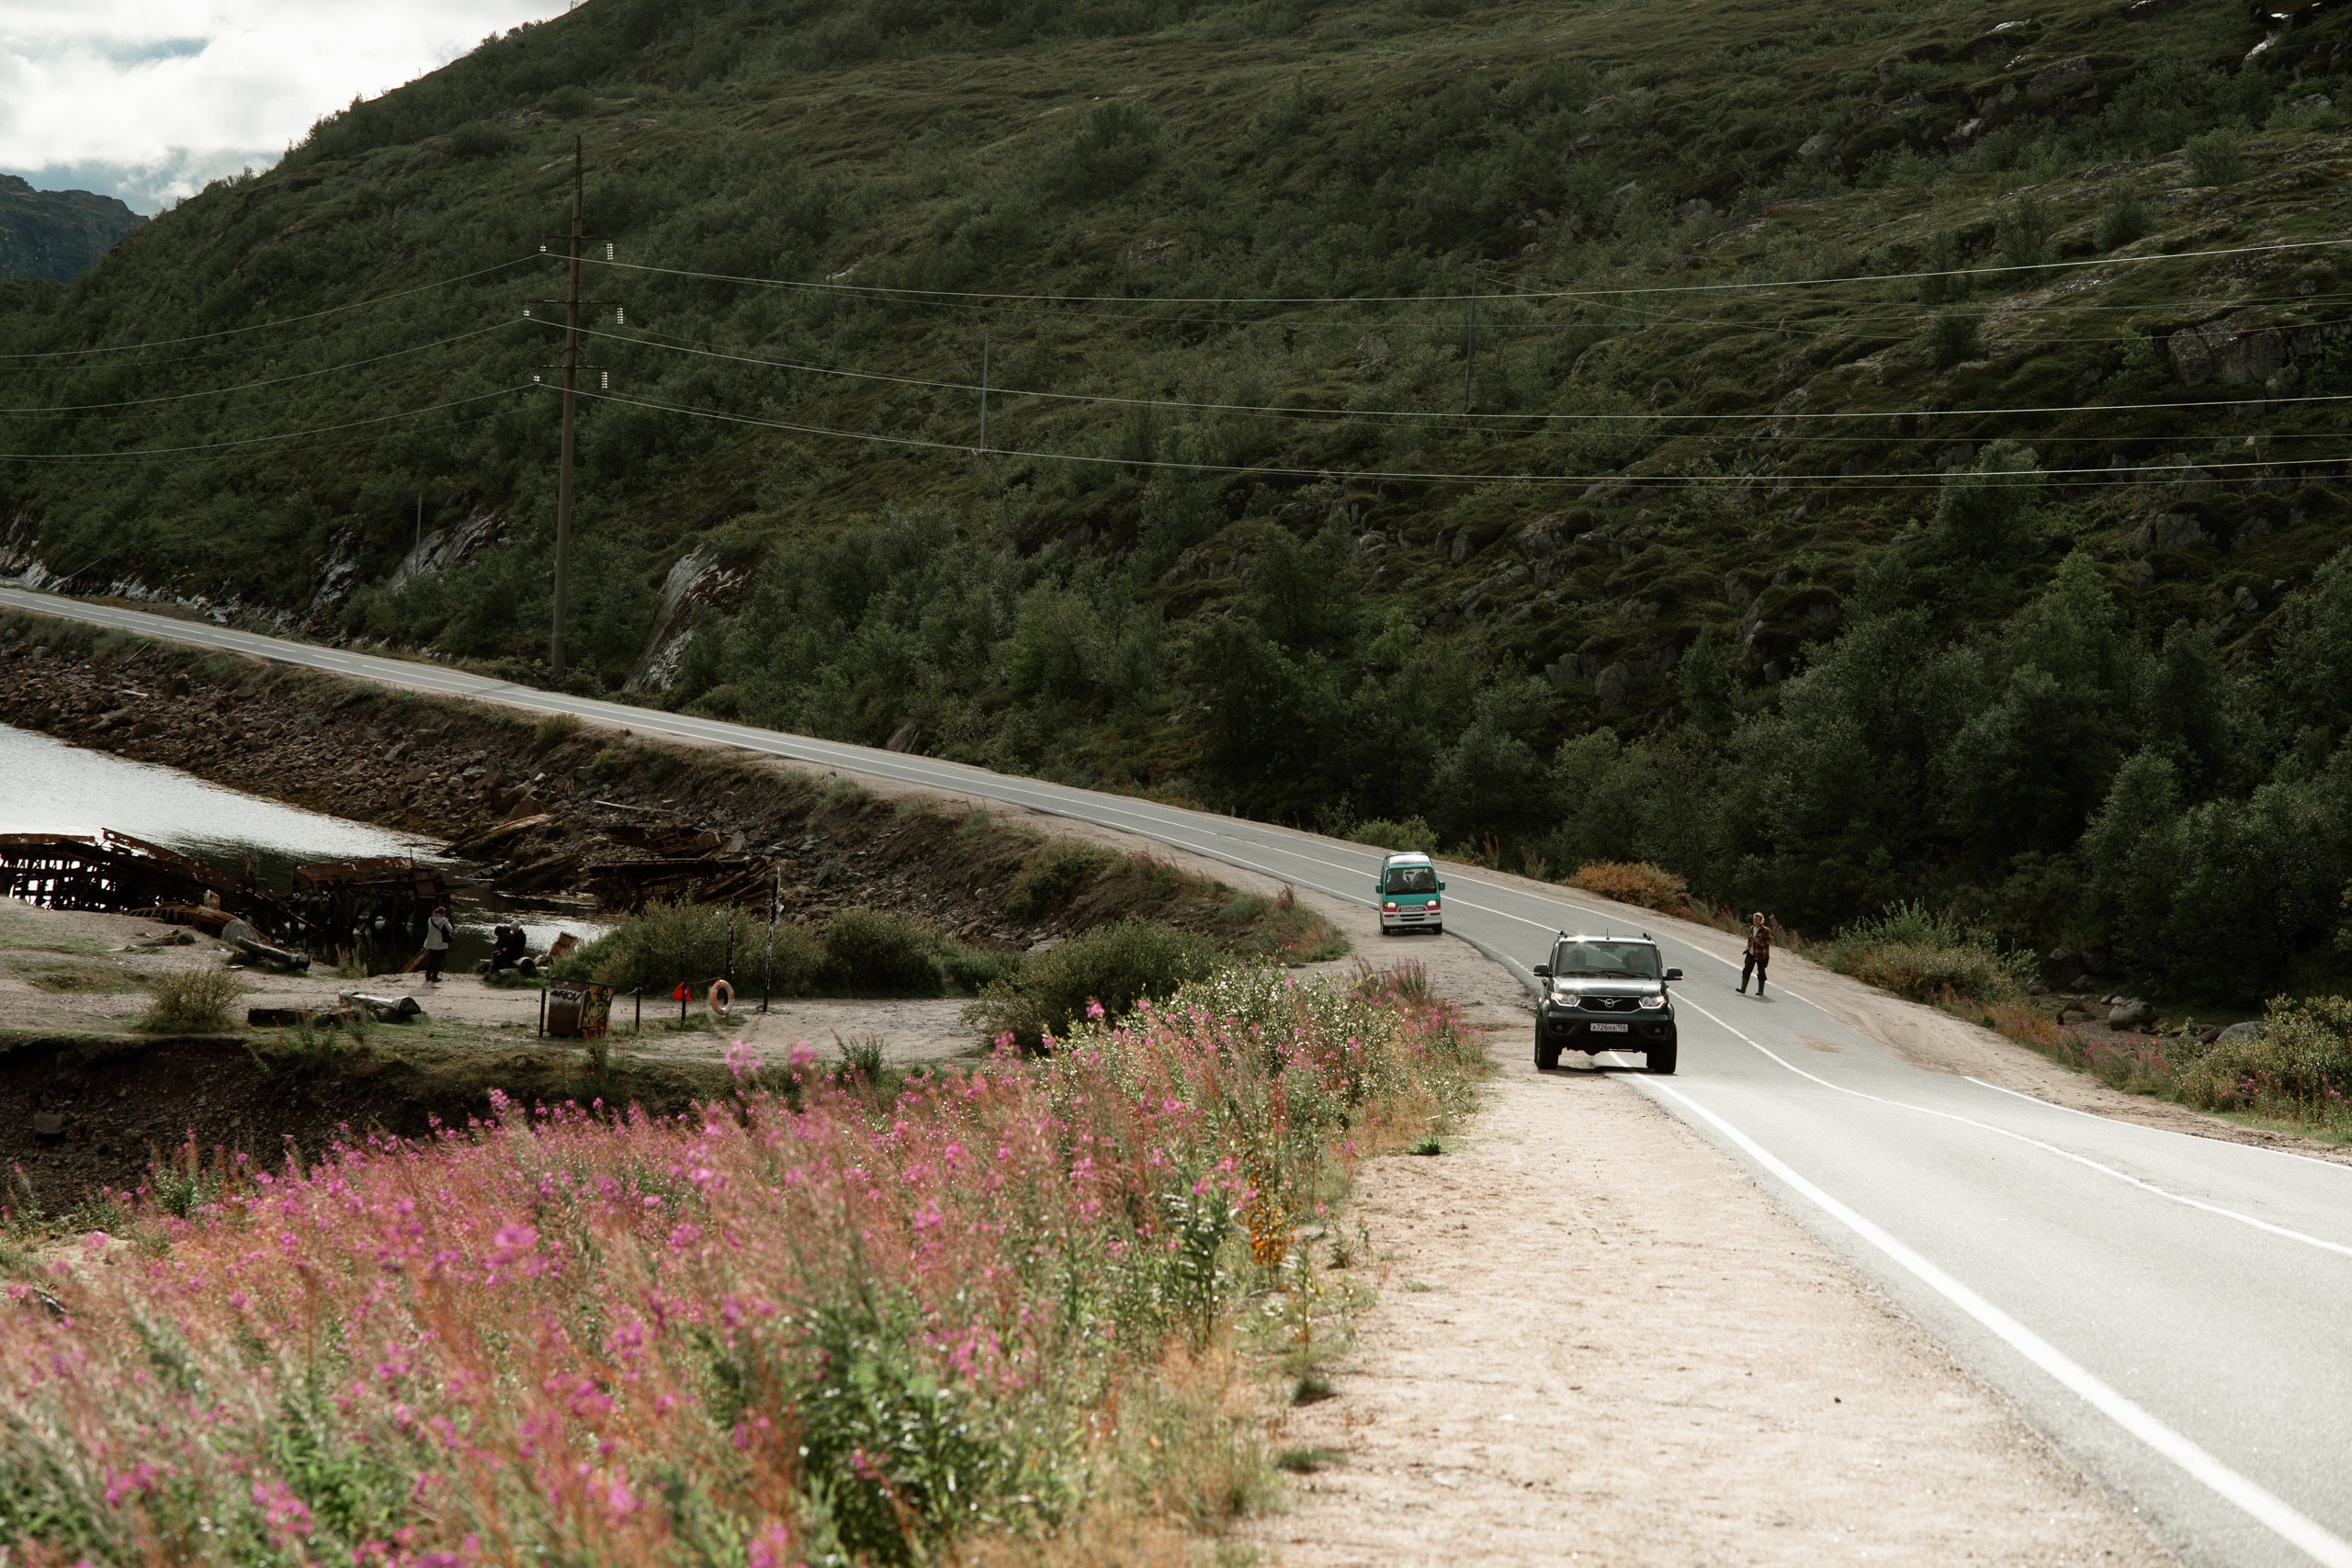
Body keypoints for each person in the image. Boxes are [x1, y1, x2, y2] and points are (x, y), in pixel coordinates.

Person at [1738, 911, 1771, 996]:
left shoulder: (1765, 930)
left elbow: (1768, 942)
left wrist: (1759, 942)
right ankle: (1743, 988)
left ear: (1761, 920)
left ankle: (1760, 990)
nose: (1755, 921)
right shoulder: (1751, 928)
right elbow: (1749, 940)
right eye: (1754, 919)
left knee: (1761, 972)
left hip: (1761, 955)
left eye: (1757, 920)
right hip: (1751, 953)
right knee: (1746, 970)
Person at [423, 904, 455, 984]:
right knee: (438, 960)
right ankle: (434, 977)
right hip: (441, 943)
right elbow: (451, 930)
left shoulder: (430, 919)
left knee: (431, 959)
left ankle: (428, 976)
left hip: (430, 942)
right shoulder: (444, 920)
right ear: (443, 913)